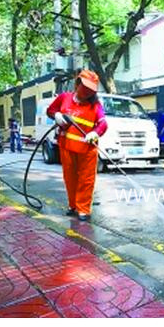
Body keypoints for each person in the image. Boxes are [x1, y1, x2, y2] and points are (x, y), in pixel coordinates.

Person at [46, 70, 108, 221]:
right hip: (66, 147)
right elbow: (50, 111)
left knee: (86, 180)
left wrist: (95, 133)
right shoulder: (64, 98)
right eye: (85, 88)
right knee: (70, 178)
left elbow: (103, 123)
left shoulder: (95, 106)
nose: (87, 92)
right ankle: (73, 206)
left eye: (91, 90)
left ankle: (83, 210)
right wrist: (57, 115)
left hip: (87, 150)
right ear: (77, 83)